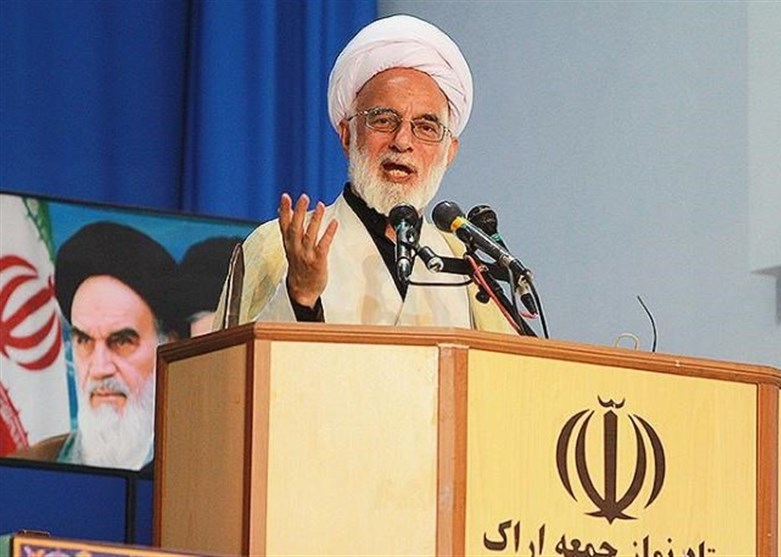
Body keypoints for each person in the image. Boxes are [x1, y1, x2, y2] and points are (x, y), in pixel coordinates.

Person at [215, 15, 513, 333]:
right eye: (383, 120)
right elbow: (231, 361)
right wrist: (299, 298)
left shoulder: (467, 267)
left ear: (449, 151)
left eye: (426, 127)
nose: (402, 141)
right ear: (347, 136)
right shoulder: (274, 248)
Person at [9, 222, 179, 469]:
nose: (99, 369)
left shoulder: (205, 472)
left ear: (169, 348)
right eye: (84, 340)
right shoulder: (23, 470)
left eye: (122, 341)